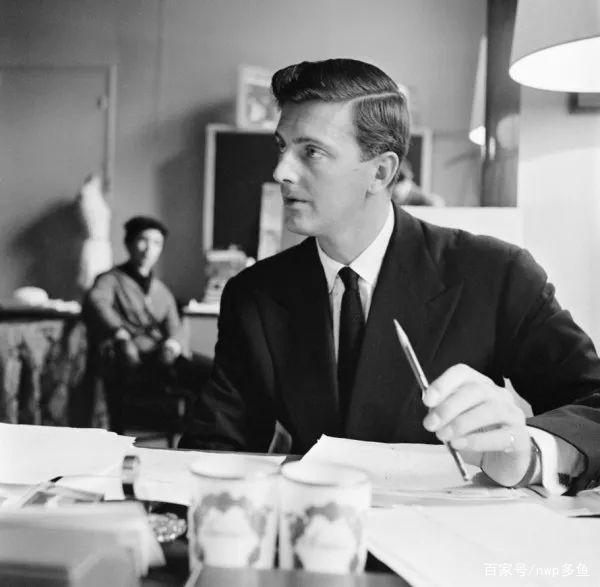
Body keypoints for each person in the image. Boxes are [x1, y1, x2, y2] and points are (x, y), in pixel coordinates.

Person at [180, 59, 600, 494]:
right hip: (312, 524)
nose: (280, 171)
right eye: (281, 147)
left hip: (447, 526)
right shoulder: (254, 293)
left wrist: (527, 453)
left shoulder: (497, 274)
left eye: (311, 152)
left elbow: (594, 405)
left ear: (380, 172)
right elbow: (216, 445)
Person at [83, 216, 211, 433]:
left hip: (160, 358)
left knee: (212, 373)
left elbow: (175, 325)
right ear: (129, 243)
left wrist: (172, 346)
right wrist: (120, 334)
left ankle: (196, 436)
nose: (149, 249)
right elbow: (97, 302)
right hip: (128, 359)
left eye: (157, 243)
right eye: (143, 240)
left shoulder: (161, 289)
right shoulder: (111, 279)